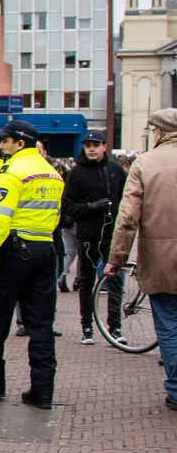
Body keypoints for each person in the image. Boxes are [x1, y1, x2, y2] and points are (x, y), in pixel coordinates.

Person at [0, 120, 64, 408]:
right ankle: (42, 391)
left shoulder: (10, 173)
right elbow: (55, 218)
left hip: (13, 253)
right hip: (44, 250)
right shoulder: (53, 174)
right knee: (41, 324)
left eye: (5, 141)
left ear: (20, 143)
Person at [105, 108, 177, 411]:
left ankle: (176, 389)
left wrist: (116, 259)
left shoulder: (145, 164)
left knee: (169, 324)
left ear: (158, 133)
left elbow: (127, 218)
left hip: (161, 258)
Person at [61, 130, 127, 344]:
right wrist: (91, 207)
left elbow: (126, 201)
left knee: (115, 281)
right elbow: (67, 206)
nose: (91, 148)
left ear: (104, 147)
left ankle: (115, 328)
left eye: (95, 144)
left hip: (112, 236)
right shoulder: (76, 173)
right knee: (86, 280)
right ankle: (87, 326)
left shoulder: (116, 170)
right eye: (88, 144)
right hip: (87, 235)